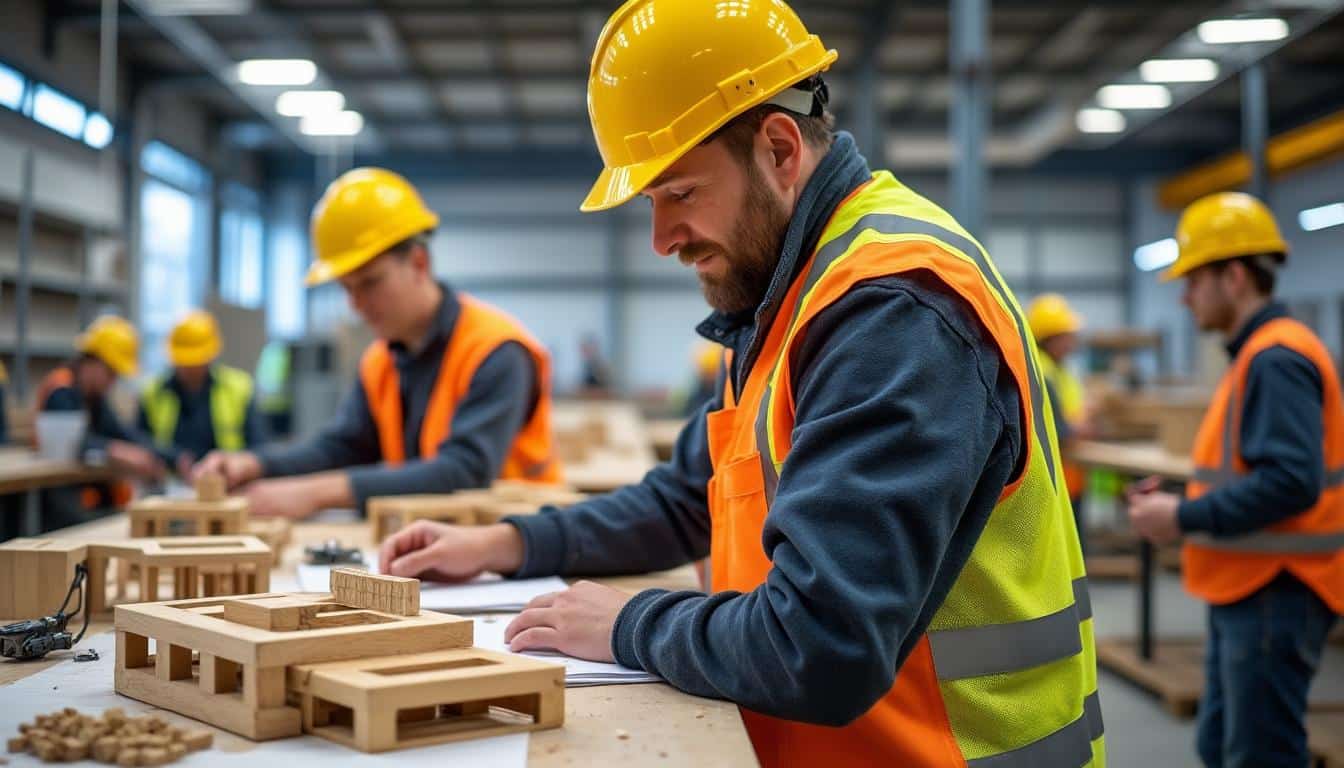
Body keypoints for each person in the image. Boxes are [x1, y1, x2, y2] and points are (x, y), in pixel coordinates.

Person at [377, 2, 1103, 766]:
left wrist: (628, 625)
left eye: (680, 194)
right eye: (652, 203)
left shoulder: (892, 312)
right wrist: (504, 542)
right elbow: (686, 497)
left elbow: (821, 646)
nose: (661, 239)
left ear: (780, 150)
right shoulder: (789, 296)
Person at [194, 168, 559, 519]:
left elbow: (466, 471)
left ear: (418, 263)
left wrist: (315, 493)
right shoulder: (380, 361)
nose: (356, 305)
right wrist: (257, 464)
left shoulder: (496, 350)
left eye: (370, 282)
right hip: (439, 541)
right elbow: (343, 447)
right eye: (347, 288)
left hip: (521, 545)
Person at [1127, 191, 1341, 768]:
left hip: (1276, 587)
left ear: (1236, 276)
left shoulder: (1276, 359)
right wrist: (1180, 499)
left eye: (1195, 280)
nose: (1185, 295)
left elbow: (1291, 482)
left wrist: (1180, 517)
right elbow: (1254, 471)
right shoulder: (1257, 355)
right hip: (1253, 583)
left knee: (1259, 755)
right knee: (1222, 746)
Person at [36, 316, 164, 527]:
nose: (113, 381)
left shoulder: (94, 398)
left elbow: (121, 432)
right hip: (53, 493)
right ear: (92, 362)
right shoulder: (61, 391)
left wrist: (160, 455)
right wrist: (117, 451)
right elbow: (72, 442)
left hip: (80, 488)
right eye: (111, 372)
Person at [138, 310, 263, 478]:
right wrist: (172, 459)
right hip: (168, 482)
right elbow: (139, 442)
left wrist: (232, 467)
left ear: (210, 356)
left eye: (196, 361)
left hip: (226, 481)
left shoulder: (239, 388)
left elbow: (259, 448)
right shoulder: (153, 392)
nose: (190, 368)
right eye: (185, 361)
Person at [1028, 293, 1093, 505]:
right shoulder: (1041, 373)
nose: (1071, 342)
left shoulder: (1062, 369)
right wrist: (1077, 429)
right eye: (1066, 336)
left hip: (1069, 473)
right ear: (1049, 338)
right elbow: (1054, 430)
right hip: (1051, 479)